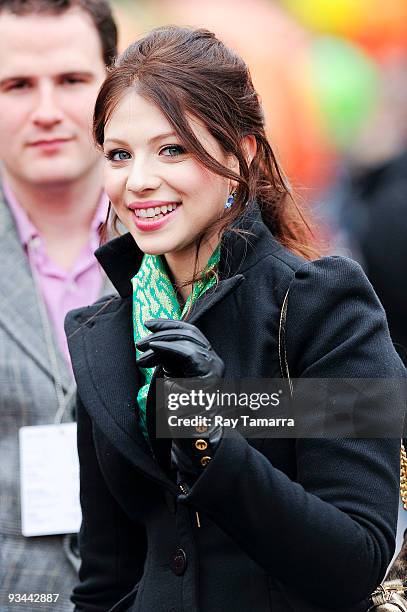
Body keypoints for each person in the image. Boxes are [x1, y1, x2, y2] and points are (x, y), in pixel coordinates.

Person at [66, 26, 406, 612]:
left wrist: (210, 430)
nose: (139, 180)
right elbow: (105, 580)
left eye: (172, 149)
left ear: (242, 152)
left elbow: (354, 559)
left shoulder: (326, 306)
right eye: (119, 154)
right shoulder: (102, 336)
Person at [0, 1, 117, 609]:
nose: (46, 112)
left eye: (72, 81)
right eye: (17, 85)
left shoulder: (191, 233)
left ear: (115, 83)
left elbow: (341, 412)